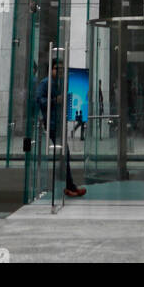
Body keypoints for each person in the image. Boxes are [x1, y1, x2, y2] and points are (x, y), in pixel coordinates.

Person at [36, 62, 86, 199]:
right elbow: (39, 99)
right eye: (57, 69)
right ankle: (68, 185)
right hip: (52, 124)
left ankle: (67, 185)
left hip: (58, 123)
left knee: (65, 155)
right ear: (50, 69)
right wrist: (54, 100)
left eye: (62, 69)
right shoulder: (45, 82)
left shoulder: (59, 83)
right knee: (64, 154)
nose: (60, 71)